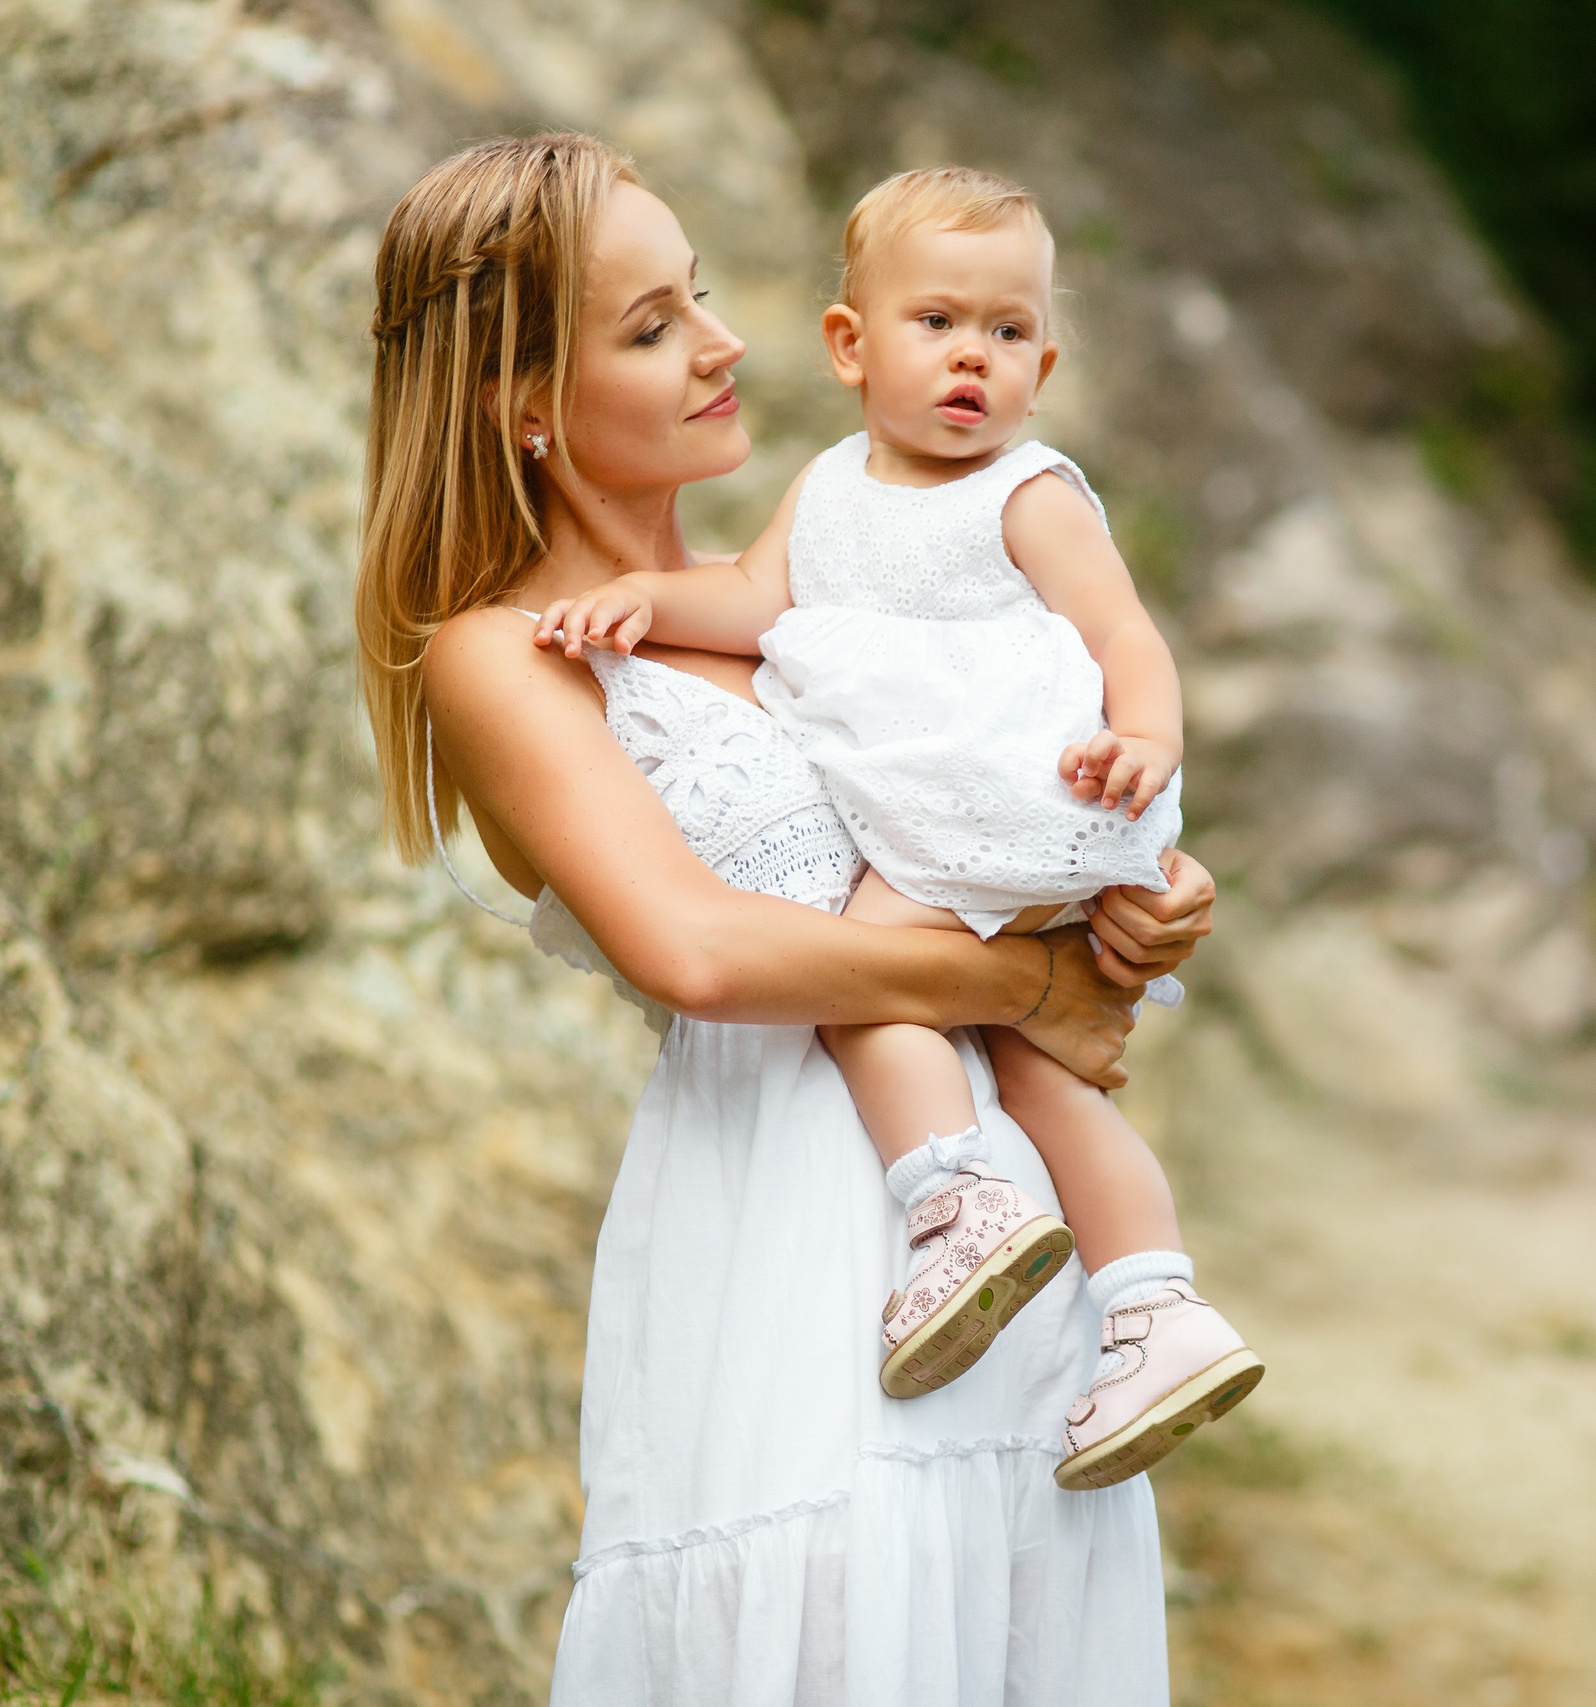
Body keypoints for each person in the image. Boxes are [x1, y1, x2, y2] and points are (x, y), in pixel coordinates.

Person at [356, 132, 1207, 1704]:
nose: (722, 344)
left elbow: (1019, 803)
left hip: (1007, 1231)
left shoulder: (840, 592)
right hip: (791, 1249)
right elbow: (704, 950)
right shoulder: (503, 655)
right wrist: (1023, 986)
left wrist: (1128, 899)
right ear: (521, 399)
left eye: (699, 297)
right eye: (652, 324)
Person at [534, 165, 1259, 1490]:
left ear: (1047, 361)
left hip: (1016, 801)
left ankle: (951, 1196)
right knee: (1041, 1070)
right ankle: (1155, 1309)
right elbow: (759, 604)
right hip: (958, 830)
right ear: (852, 347)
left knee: (868, 986)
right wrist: (643, 599)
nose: (975, 357)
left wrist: (1146, 747)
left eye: (1009, 331)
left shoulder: (1027, 493)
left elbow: (1123, 637)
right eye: (938, 324)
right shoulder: (827, 493)